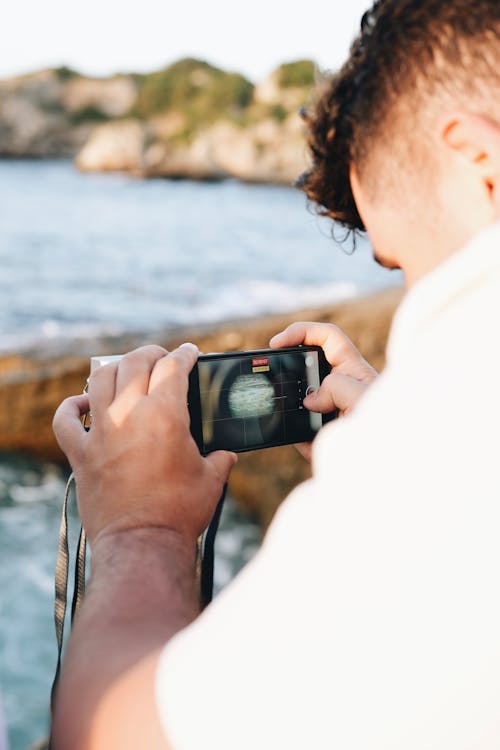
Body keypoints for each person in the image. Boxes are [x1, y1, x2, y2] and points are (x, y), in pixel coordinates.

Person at [51, 0, 500, 747]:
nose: (414, 301)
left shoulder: (450, 448)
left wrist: (141, 527)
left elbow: (114, 734)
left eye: (405, 264)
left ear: (479, 159)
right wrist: (393, 433)